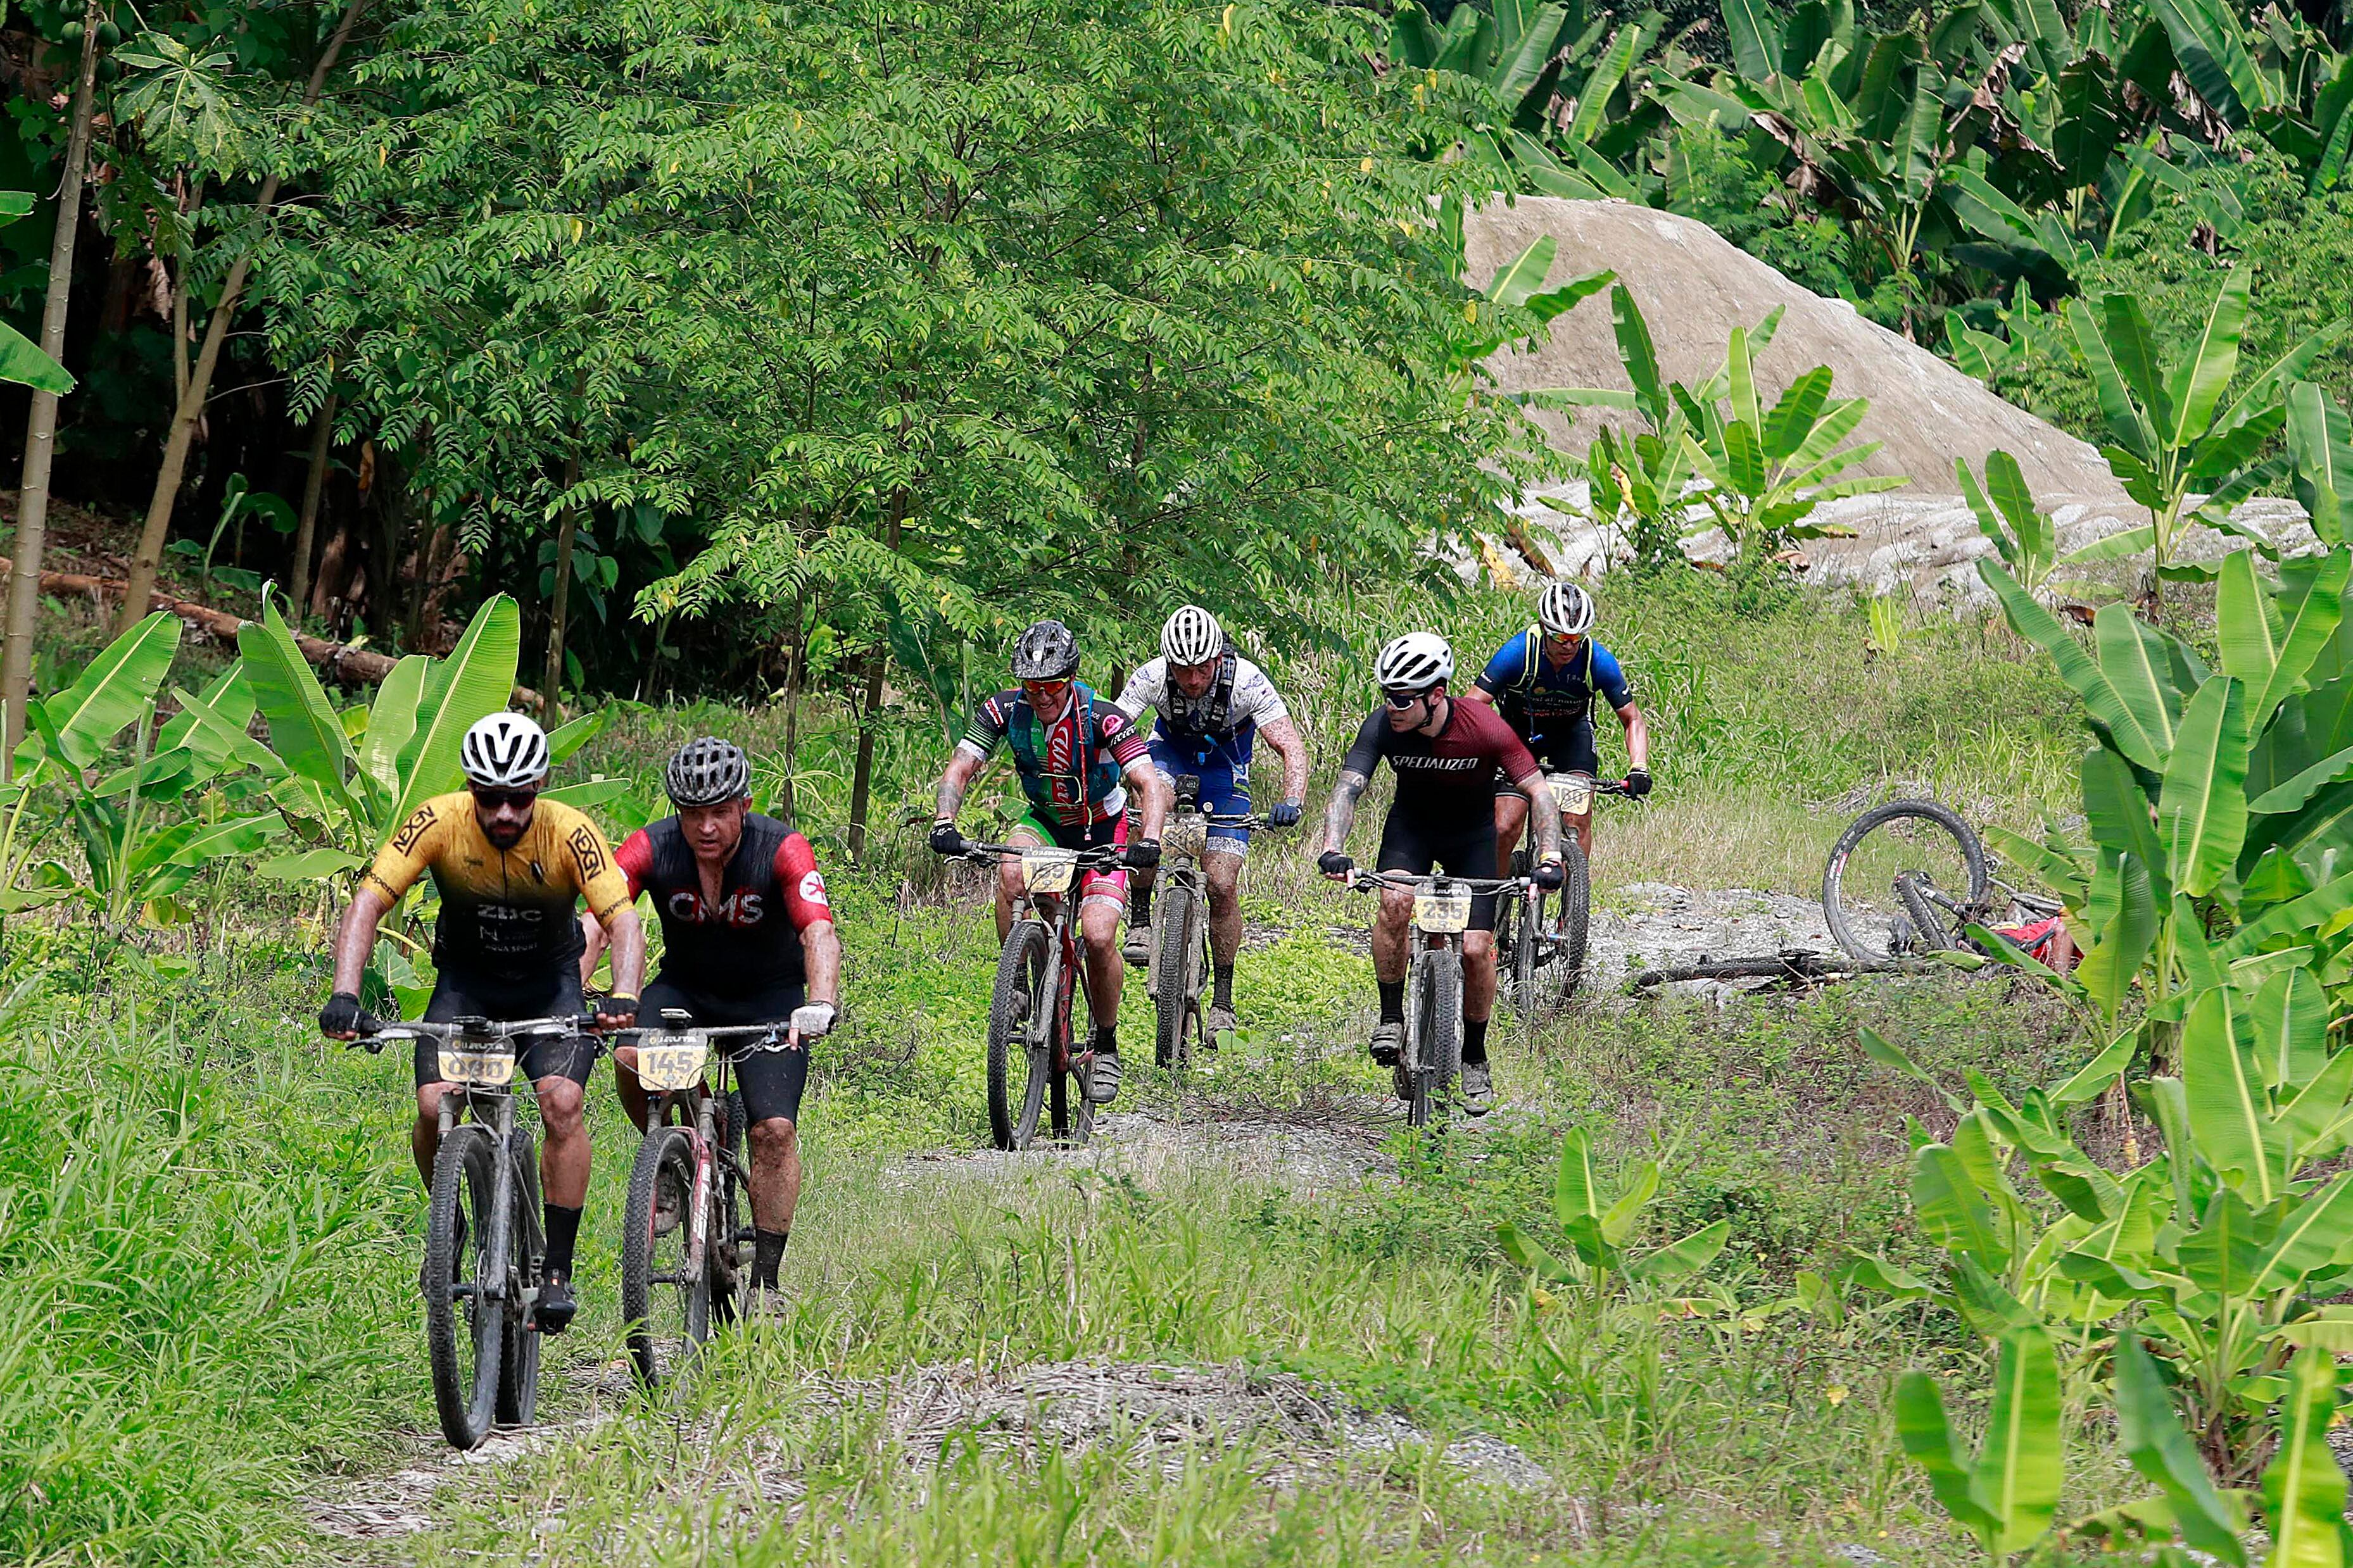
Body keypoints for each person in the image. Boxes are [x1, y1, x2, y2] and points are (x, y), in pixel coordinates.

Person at [319, 712, 645, 1334]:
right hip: (466, 987)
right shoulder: (438, 820)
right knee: (432, 1105)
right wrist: (345, 992)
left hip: (549, 991)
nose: (502, 812)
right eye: (488, 796)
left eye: (518, 797)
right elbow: (368, 900)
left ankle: (556, 1267)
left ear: (540, 785)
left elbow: (622, 920)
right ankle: (450, 1218)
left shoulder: (569, 830)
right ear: (470, 787)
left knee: (562, 1104)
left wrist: (623, 994)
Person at [579, 737, 842, 1310]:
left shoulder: (782, 848)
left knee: (774, 1131)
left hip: (768, 1000)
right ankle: (667, 1155)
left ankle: (767, 1282)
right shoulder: (652, 846)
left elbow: (817, 930)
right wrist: (571, 987)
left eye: (719, 811)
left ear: (744, 805)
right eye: (692, 812)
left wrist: (819, 1001)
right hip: (685, 992)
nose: (705, 826)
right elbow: (599, 920)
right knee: (629, 1058)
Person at [1316, 632, 1563, 1115]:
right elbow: (1348, 790)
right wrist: (1333, 848)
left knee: (1475, 948)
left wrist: (1550, 858)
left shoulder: (1484, 728)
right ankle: (1391, 1016)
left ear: (1436, 695)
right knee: (1394, 902)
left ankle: (1474, 1055)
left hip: (1472, 839)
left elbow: (1540, 794)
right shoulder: (1384, 727)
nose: (1392, 705)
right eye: (1387, 694)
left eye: (1403, 697)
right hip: (1412, 831)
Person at [929, 619, 1171, 1104]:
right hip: (1046, 819)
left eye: (1052, 687)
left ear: (1070, 681)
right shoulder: (1002, 709)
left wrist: (1149, 838)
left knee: (1100, 934)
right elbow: (960, 766)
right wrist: (943, 820)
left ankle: (1106, 1043)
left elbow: (1149, 783)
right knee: (1010, 870)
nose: (1041, 697)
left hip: (1103, 826)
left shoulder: (1102, 716)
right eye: (1032, 686)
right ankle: (1017, 984)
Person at [1114, 605, 1310, 1050]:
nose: (1195, 679)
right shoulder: (1151, 676)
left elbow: (1290, 745)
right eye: (1183, 670)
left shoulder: (1246, 680)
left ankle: (1223, 998)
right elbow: (1116, 730)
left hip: (1226, 772)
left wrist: (1292, 799)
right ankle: (1141, 918)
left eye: (1203, 668)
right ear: (1169, 663)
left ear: (1219, 657)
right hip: (1167, 757)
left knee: (1221, 883)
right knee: (1151, 811)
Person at [1467, 581, 1652, 869]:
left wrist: (1639, 767)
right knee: (1505, 824)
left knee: (1576, 820)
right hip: (1517, 737)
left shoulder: (1597, 660)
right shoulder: (1517, 653)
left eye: (1576, 639)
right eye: (1560, 638)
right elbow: (1472, 706)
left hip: (1571, 737)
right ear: (1543, 629)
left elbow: (1633, 718)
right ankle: (1494, 898)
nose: (1569, 646)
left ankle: (1572, 905)